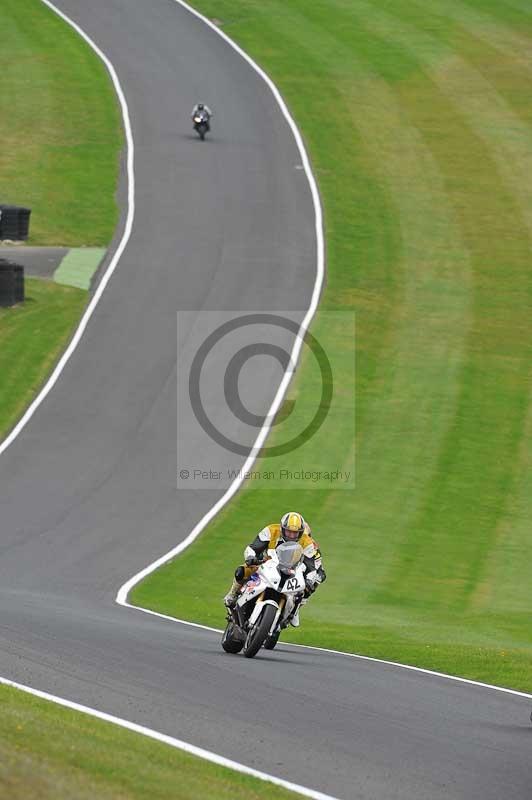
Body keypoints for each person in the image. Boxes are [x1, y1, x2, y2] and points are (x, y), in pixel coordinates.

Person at [223, 512, 325, 626]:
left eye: (295, 533)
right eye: (289, 532)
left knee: (308, 587)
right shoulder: (271, 530)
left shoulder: (308, 543)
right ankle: (233, 593)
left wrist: (311, 579)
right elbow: (253, 547)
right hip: (267, 563)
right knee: (241, 571)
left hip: (293, 572)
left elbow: (314, 568)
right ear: (282, 528)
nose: (292, 536)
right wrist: (251, 557)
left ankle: (295, 610)